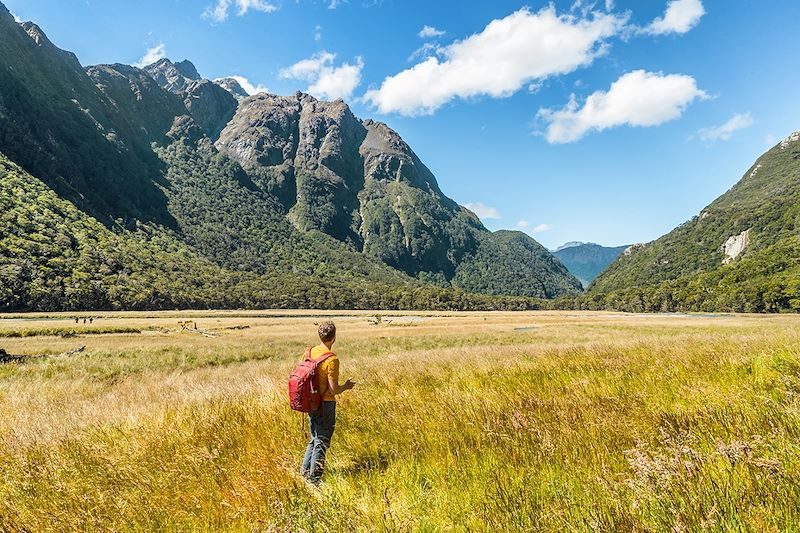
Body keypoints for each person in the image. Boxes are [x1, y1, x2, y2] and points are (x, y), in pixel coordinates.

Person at [301, 321, 355, 485]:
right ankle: (314, 480)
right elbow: (333, 390)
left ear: (320, 336)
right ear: (334, 338)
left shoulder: (309, 352)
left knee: (314, 438)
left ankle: (304, 473)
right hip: (326, 404)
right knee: (322, 441)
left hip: (311, 401)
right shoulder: (332, 360)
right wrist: (346, 386)